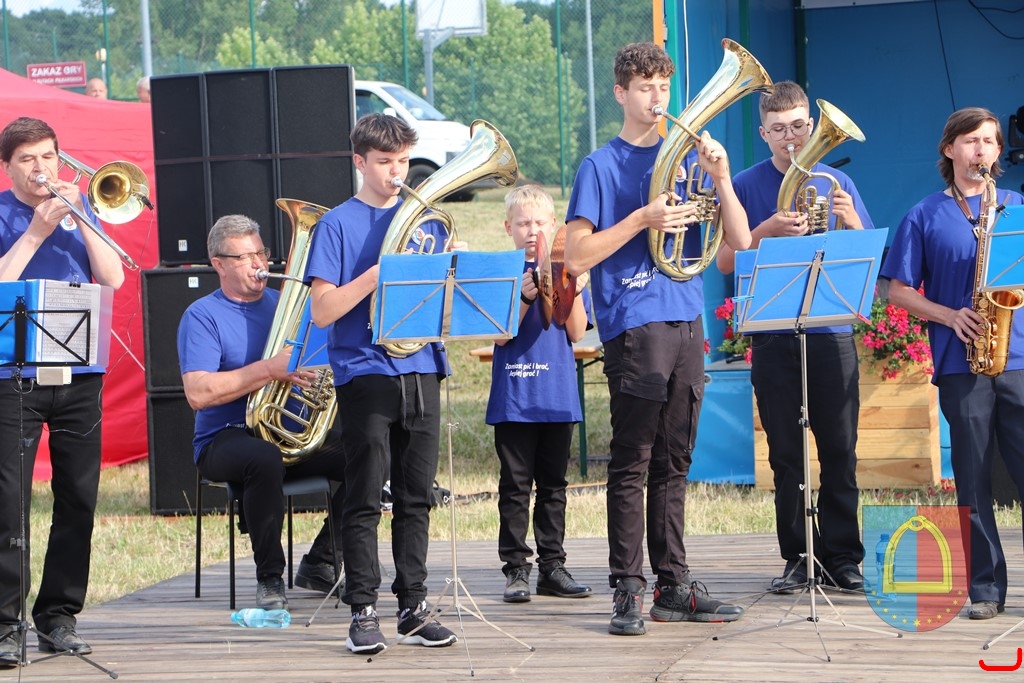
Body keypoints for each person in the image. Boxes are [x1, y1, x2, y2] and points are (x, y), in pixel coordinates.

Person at [563, 42, 749, 636]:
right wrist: (642, 218)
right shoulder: (599, 166)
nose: (657, 98)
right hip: (633, 322)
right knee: (633, 461)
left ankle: (674, 585)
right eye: (645, 88)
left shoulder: (690, 158)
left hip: (686, 317)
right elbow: (575, 256)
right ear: (621, 93)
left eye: (664, 88)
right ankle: (627, 588)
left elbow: (740, 242)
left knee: (675, 461)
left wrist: (720, 177)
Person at [305, 113, 459, 655]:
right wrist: (375, 276)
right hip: (366, 370)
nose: (397, 173)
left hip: (422, 366)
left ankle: (414, 605)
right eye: (385, 162)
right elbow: (322, 310)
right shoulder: (337, 225)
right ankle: (363, 609)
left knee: (417, 497)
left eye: (403, 161)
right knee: (366, 496)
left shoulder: (426, 221)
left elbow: (446, 301)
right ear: (359, 162)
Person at [716, 81, 873, 595]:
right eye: (779, 129)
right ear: (763, 134)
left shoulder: (835, 181)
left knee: (840, 450)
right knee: (786, 455)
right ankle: (798, 556)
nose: (792, 137)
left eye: (800, 126)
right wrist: (764, 230)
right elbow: (724, 262)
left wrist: (850, 219)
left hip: (830, 332)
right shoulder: (744, 184)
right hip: (773, 334)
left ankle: (844, 557)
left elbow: (868, 260)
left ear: (811, 126)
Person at [881, 107, 1024, 620]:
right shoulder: (924, 214)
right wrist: (949, 315)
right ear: (949, 149)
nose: (981, 149)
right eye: (970, 140)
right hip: (963, 360)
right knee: (972, 477)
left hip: (1018, 356)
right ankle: (985, 588)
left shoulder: (1016, 207)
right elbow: (896, 289)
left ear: (998, 151)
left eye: (989, 140)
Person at [0, 116, 125, 663]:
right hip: (13, 376)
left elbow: (113, 279)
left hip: (79, 373)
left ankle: (58, 616)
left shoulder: (80, 209)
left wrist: (85, 219)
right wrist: (35, 232)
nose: (41, 168)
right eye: (27, 159)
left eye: (48, 156)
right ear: (7, 167)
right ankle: (5, 624)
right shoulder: (4, 213)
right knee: (9, 503)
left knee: (78, 497)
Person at [177, 214, 346, 612]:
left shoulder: (289, 306)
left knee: (369, 451)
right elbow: (198, 393)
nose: (258, 264)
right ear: (219, 264)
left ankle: (322, 560)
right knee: (263, 458)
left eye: (261, 253)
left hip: (288, 431)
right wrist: (270, 369)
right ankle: (270, 578)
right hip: (224, 437)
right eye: (244, 257)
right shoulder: (202, 315)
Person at [487, 185, 593, 604]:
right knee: (515, 486)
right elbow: (499, 335)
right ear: (507, 228)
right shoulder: (502, 271)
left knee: (554, 485)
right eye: (523, 223)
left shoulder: (566, 267)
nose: (532, 231)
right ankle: (516, 568)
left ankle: (553, 566)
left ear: (554, 226)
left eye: (540, 223)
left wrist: (575, 289)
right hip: (515, 394)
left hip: (556, 393)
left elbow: (577, 331)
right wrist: (525, 297)